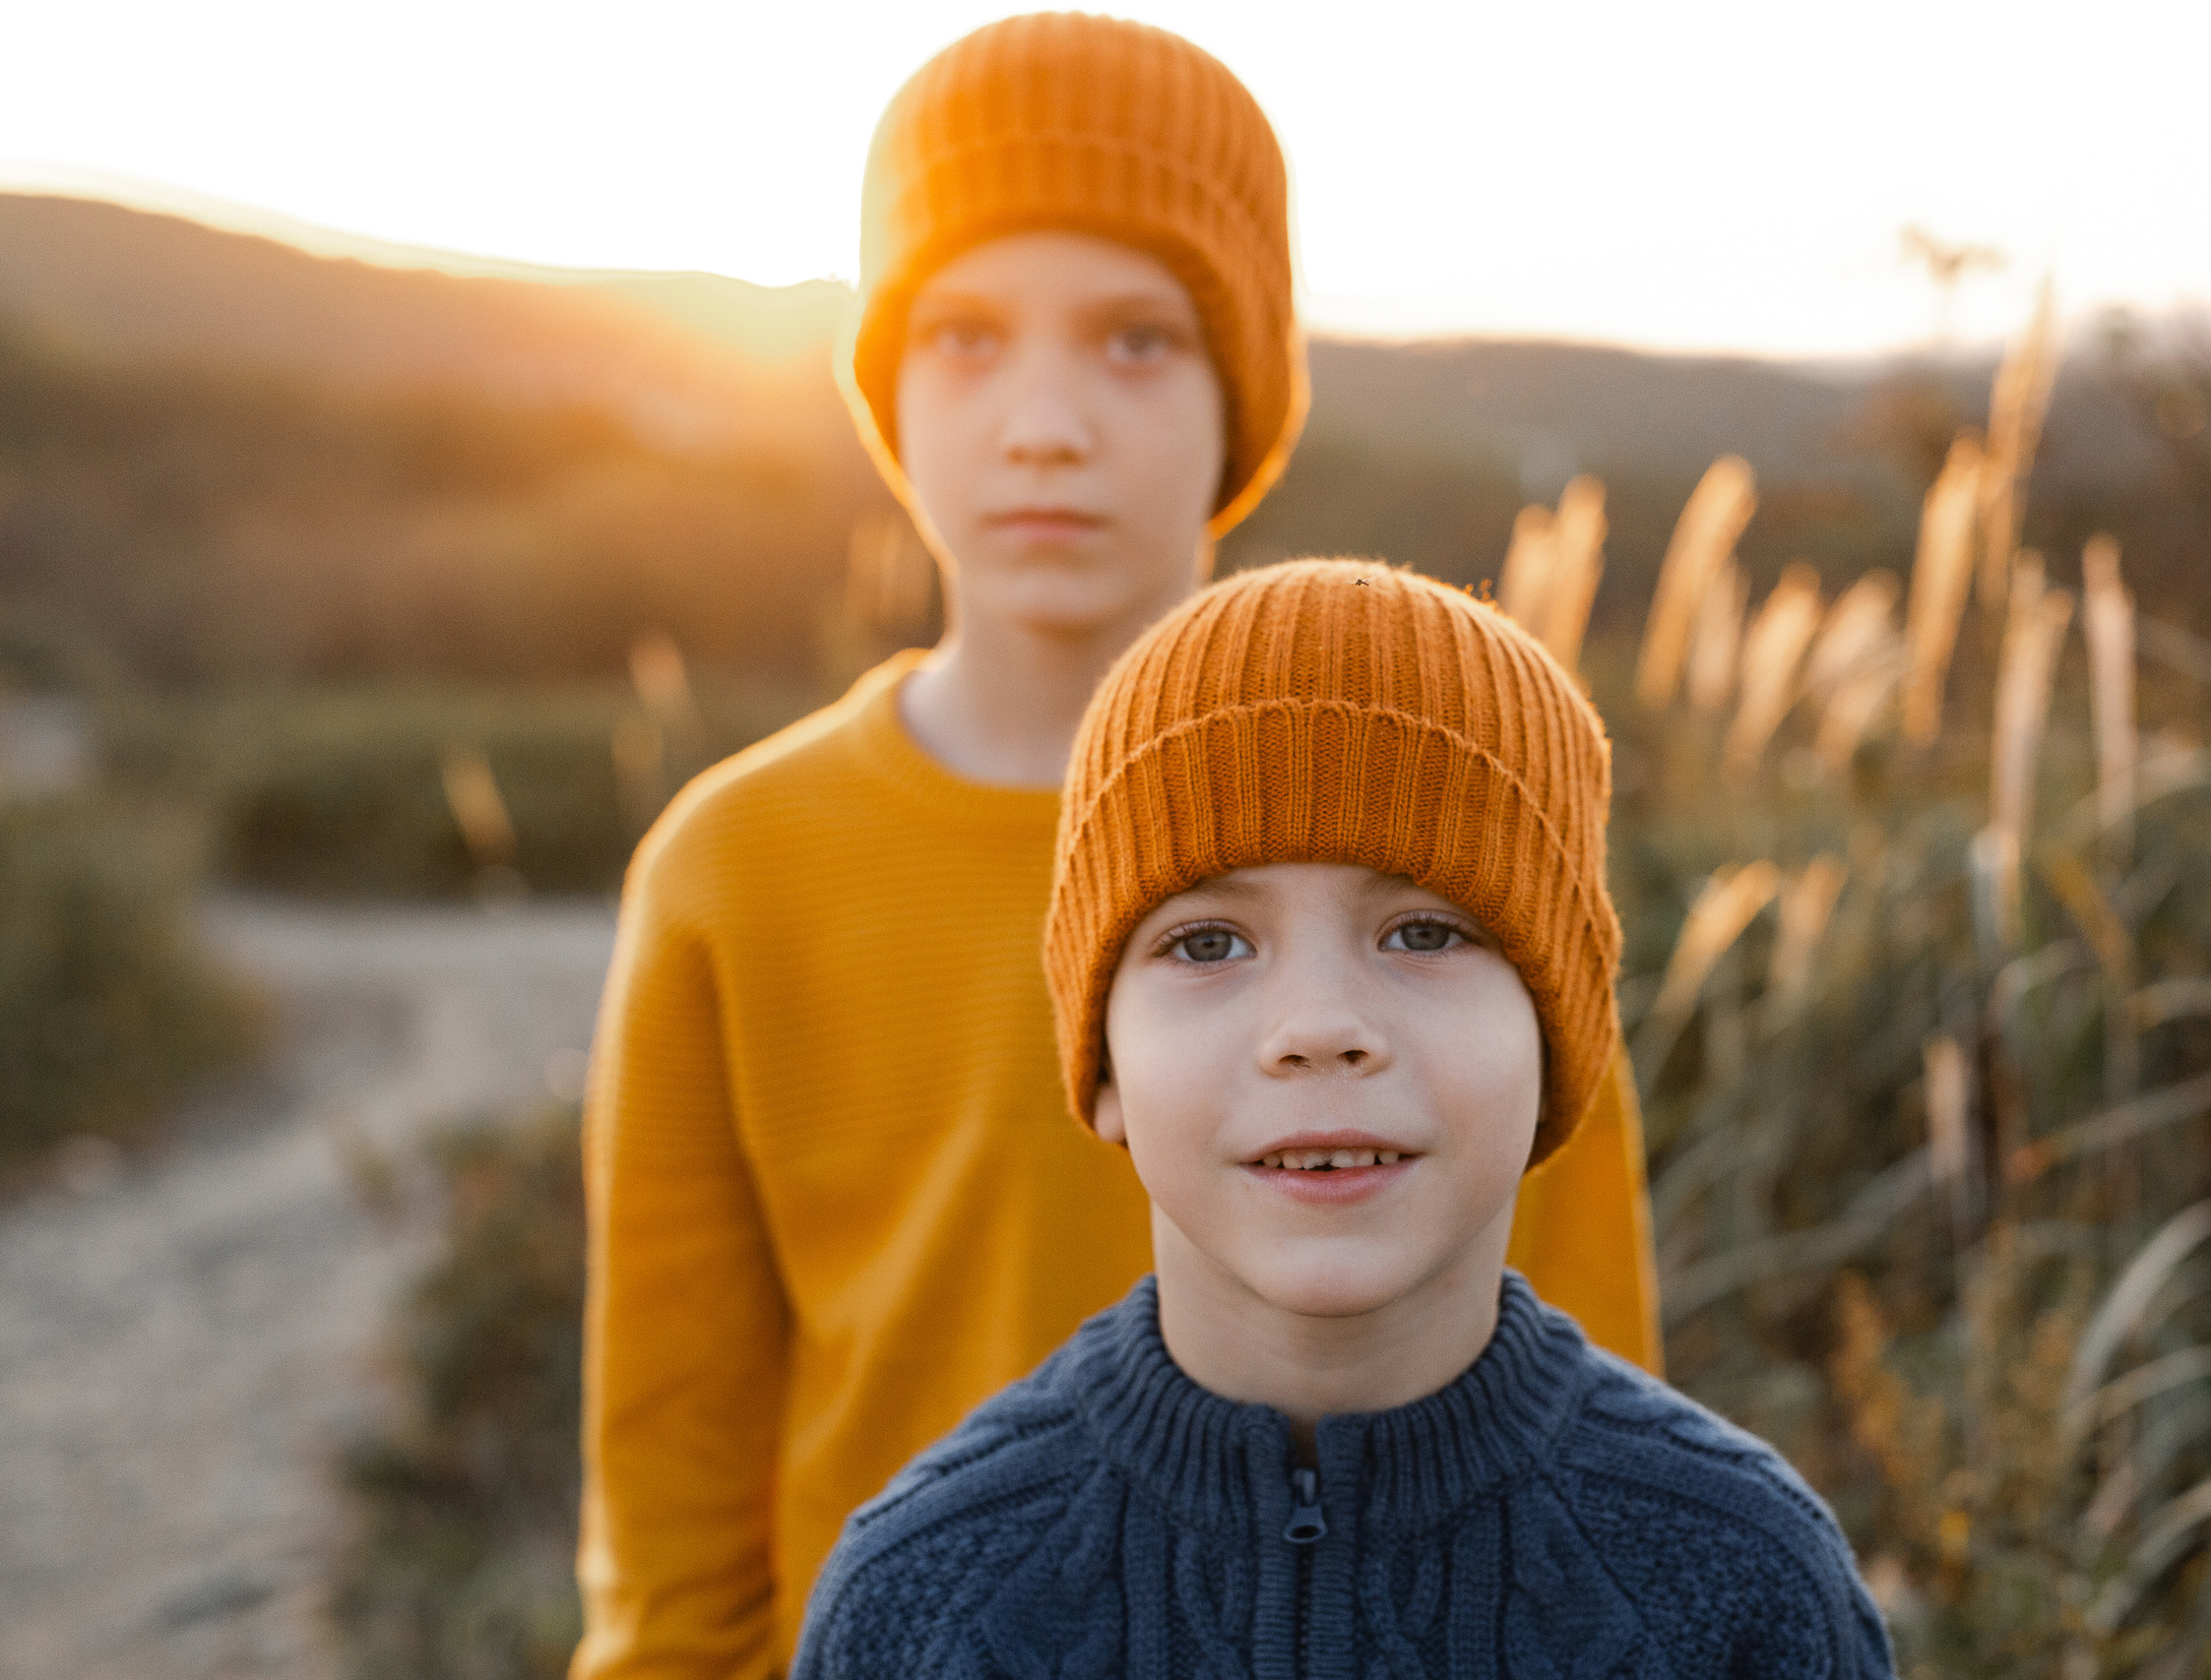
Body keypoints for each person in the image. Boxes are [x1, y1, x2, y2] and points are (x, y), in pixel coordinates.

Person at [573, 16, 1661, 1677]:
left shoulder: (1442, 814)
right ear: (883, 382)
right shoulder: (734, 867)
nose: (1044, 421)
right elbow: (671, 1498)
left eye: (1138, 339)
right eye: (963, 336)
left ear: (1249, 385)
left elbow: (1592, 1409)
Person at [789, 560, 1896, 1678]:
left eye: (1424, 932)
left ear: (1558, 1034)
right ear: (1103, 1059)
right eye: (1207, 943)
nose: (1317, 1028)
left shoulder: (1740, 1584)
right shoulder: (925, 1600)